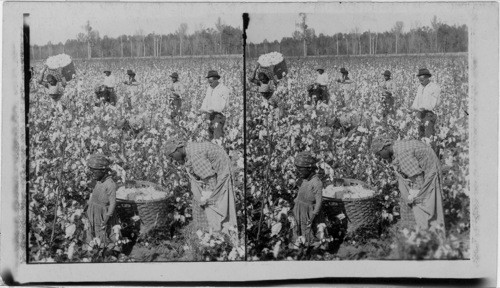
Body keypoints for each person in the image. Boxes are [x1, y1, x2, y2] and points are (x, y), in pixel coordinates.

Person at [370, 137, 445, 231]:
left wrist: (416, 194)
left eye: (379, 154)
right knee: (422, 202)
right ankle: (426, 230)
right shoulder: (396, 146)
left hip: (430, 171)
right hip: (427, 167)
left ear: (384, 148)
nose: (379, 157)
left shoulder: (403, 154)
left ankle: (431, 234)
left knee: (427, 203)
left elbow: (418, 178)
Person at [165, 139, 238, 235]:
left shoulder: (195, 155)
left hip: (222, 173)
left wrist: (209, 196)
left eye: (172, 156)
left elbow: (210, 179)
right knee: (205, 201)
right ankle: (212, 232)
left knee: (219, 205)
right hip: (217, 171)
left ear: (177, 150)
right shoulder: (189, 149)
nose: (173, 159)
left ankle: (222, 234)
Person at [85, 153, 120, 248]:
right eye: (91, 171)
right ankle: (94, 247)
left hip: (103, 214)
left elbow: (112, 203)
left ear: (103, 170)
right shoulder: (99, 181)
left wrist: (107, 219)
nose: (92, 174)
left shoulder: (110, 184)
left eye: (94, 172)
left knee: (103, 232)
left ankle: (106, 250)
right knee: (93, 229)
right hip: (94, 210)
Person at [292, 151, 323, 245]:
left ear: (309, 169)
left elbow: (319, 201)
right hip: (299, 208)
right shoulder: (304, 180)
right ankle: (299, 243)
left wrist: (313, 214)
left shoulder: (316, 182)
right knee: (298, 226)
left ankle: (310, 247)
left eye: (300, 170)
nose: (298, 173)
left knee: (308, 229)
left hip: (308, 211)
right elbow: (301, 194)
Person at [411, 68, 441, 150]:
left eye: (422, 79)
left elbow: (435, 103)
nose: (421, 81)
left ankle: (433, 154)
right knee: (420, 134)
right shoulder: (420, 87)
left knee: (429, 136)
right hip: (420, 113)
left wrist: (424, 107)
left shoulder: (434, 87)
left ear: (427, 78)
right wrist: (413, 107)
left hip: (429, 114)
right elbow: (417, 99)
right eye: (419, 79)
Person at [200, 70, 230, 141]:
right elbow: (206, 100)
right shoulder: (209, 88)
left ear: (216, 79)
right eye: (209, 82)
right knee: (210, 136)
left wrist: (212, 109)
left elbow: (222, 106)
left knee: (217, 137)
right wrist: (202, 108)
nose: (209, 83)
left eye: (211, 82)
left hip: (219, 116)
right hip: (210, 115)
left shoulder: (223, 89)